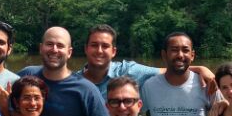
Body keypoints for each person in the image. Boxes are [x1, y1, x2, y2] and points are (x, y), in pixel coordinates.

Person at [80, 23, 216, 98]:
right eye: (94, 45)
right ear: (86, 49)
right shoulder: (74, 82)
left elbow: (167, 71)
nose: (99, 50)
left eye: (105, 46)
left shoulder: (128, 71)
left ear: (114, 51)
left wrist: (200, 69)